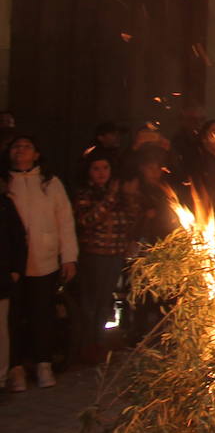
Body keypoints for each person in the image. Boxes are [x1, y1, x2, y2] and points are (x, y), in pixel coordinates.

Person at [5, 135, 78, 390]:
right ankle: (15, 368)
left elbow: (65, 220)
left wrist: (69, 256)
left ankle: (43, 363)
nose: (20, 151)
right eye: (16, 146)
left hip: (44, 259)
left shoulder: (50, 183)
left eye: (26, 147)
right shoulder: (6, 183)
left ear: (36, 154)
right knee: (12, 317)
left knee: (42, 314)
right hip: (11, 264)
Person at [71, 152, 141, 362]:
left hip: (115, 254)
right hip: (94, 255)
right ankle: (84, 346)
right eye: (96, 169)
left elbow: (130, 219)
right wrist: (110, 197)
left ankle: (99, 345)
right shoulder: (85, 194)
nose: (101, 173)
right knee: (90, 303)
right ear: (89, 172)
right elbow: (87, 220)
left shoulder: (119, 195)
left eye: (105, 168)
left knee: (104, 303)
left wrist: (128, 197)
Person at [0, 178, 26, 392]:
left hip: (1, 276)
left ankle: (1, 377)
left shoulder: (5, 205)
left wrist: (16, 269)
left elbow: (17, 237)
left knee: (1, 328)